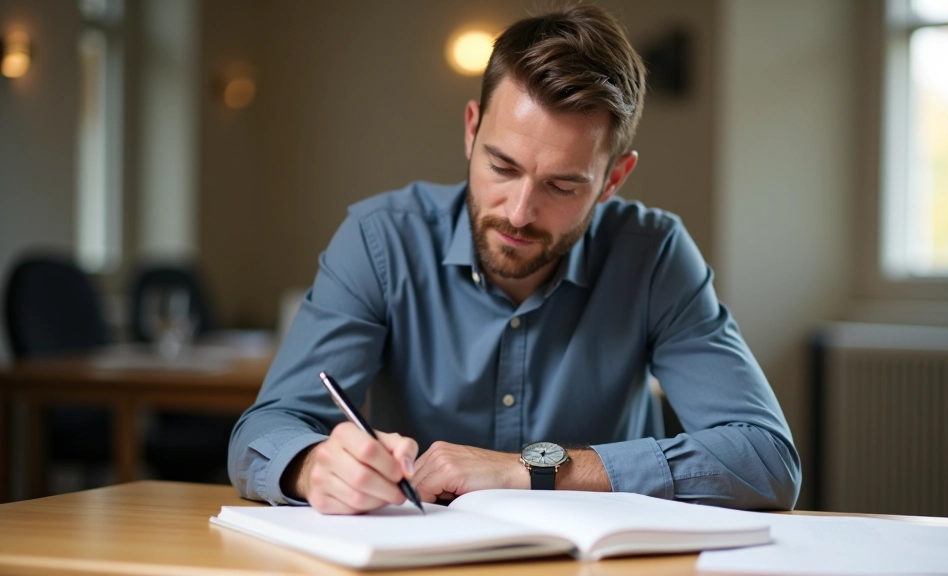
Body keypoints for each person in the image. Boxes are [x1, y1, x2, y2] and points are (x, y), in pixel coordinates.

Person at [229, 4, 800, 514]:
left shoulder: (653, 256)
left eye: (562, 185)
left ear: (612, 180)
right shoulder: (381, 241)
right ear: (471, 130)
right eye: (502, 167)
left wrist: (528, 470)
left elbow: (766, 459)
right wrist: (314, 466)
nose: (520, 213)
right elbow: (262, 432)